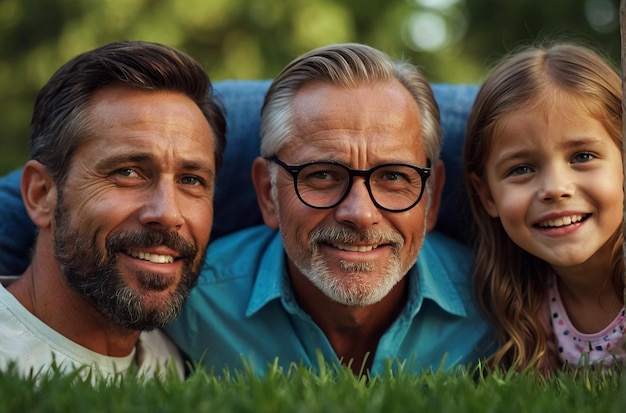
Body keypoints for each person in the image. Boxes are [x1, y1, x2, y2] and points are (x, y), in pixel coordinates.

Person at [164, 43, 494, 376]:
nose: (361, 214)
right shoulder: (190, 304)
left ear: (432, 197)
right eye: (322, 175)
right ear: (267, 193)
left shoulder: (495, 310)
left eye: (393, 176)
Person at [0, 40, 226, 380]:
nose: (168, 214)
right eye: (128, 172)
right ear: (41, 194)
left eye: (191, 180)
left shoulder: (180, 364)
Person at [463, 43, 625, 372]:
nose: (554, 189)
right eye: (521, 169)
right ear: (487, 196)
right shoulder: (527, 300)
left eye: (582, 157)